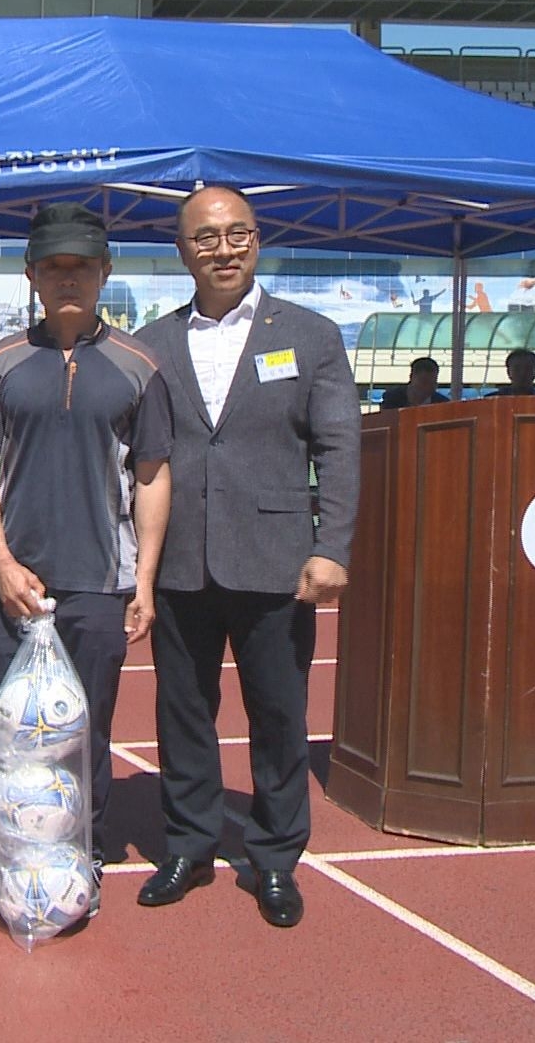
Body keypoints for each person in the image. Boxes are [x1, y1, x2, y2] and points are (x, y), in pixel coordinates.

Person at [0, 204, 172, 914]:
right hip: (10, 585)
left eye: (83, 266)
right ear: (33, 275)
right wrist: (1, 564)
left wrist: (145, 582)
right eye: (55, 267)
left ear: (105, 272)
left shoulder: (138, 366)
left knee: (85, 732)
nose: (69, 278)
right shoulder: (2, 362)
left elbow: (153, 476)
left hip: (100, 584)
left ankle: (79, 854)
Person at [133, 186, 359, 929]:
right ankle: (190, 844)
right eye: (205, 237)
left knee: (278, 714)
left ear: (257, 240)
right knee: (184, 713)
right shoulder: (151, 344)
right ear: (182, 249)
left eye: (237, 235)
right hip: (179, 565)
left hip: (276, 560)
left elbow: (338, 447)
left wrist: (332, 547)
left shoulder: (312, 335)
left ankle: (273, 857)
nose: (222, 249)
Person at [378, 356, 451, 410]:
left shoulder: (442, 404)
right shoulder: (392, 398)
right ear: (411, 377)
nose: (428, 387)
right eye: (424, 382)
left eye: (433, 382)